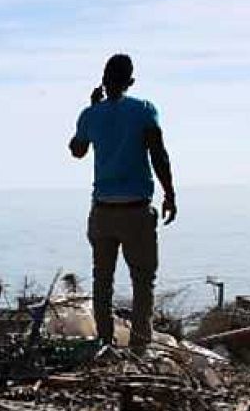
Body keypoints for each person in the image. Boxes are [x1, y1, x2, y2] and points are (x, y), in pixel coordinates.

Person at [69, 54, 176, 348]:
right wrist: (170, 193)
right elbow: (159, 155)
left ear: (104, 80)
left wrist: (92, 110)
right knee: (143, 284)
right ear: (130, 81)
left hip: (103, 211)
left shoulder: (90, 115)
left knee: (102, 282)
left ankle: (104, 342)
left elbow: (77, 150)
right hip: (136, 211)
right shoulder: (143, 110)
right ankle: (140, 347)